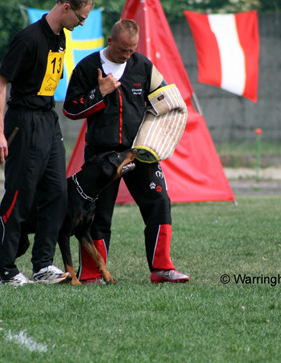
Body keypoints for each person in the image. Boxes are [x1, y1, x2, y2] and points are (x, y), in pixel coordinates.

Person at [63, 19, 190, 284]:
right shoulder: (87, 67)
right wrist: (100, 92)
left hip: (139, 153)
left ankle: (162, 269)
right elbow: (71, 109)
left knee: (160, 202)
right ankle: (91, 275)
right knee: (96, 215)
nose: (127, 55)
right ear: (110, 42)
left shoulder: (143, 66)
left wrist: (158, 136)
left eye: (131, 50)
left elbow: (167, 100)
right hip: (102, 157)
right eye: (122, 50)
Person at [0, 0, 94, 286]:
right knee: (20, 195)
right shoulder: (28, 39)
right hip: (24, 121)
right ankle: (5, 269)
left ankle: (43, 265)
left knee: (57, 195)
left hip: (48, 122)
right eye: (81, 16)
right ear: (65, 7)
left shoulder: (62, 37)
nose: (83, 23)